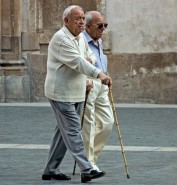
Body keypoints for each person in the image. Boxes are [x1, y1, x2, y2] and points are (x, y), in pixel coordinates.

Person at [42, 5, 111, 183]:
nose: (81, 21)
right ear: (66, 21)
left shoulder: (80, 37)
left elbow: (90, 56)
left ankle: (50, 169)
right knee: (73, 130)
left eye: (82, 18)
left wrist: (88, 62)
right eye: (77, 18)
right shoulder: (60, 39)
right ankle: (87, 168)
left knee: (63, 132)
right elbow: (78, 61)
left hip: (78, 90)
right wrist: (98, 73)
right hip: (60, 92)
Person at [81, 11, 114, 174]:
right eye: (99, 26)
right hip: (88, 84)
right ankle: (88, 164)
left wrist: (106, 75)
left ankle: (90, 159)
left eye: (105, 25)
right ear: (87, 26)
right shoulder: (81, 41)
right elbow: (78, 64)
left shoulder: (99, 41)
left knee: (108, 123)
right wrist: (83, 80)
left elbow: (101, 61)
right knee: (88, 124)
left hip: (101, 84)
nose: (103, 29)